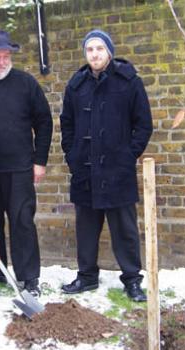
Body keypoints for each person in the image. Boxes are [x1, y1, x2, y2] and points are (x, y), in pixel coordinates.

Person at [59, 30, 153, 302]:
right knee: (86, 229)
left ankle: (132, 280)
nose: (95, 54)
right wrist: (73, 154)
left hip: (118, 171)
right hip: (85, 170)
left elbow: (143, 124)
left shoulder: (129, 81)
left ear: (109, 51)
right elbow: (67, 123)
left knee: (125, 230)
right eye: (90, 49)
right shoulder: (76, 85)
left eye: (100, 48)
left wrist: (128, 156)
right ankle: (87, 276)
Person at [0, 30, 53, 296]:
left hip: (20, 168)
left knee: (23, 223)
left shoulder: (26, 83)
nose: (1, 61)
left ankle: (29, 278)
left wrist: (39, 161)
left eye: (6, 56)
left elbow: (44, 122)